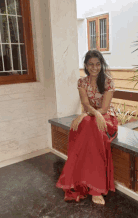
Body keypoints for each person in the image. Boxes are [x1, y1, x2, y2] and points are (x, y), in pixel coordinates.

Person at [56, 50, 118, 205]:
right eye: (91, 64)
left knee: (90, 126)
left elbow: (104, 108)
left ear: (101, 65)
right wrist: (88, 114)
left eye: (98, 64)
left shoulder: (108, 82)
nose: (94, 67)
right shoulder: (82, 82)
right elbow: (85, 103)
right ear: (86, 65)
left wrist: (89, 114)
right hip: (91, 117)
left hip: (106, 118)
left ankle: (95, 188)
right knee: (83, 127)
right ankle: (86, 184)